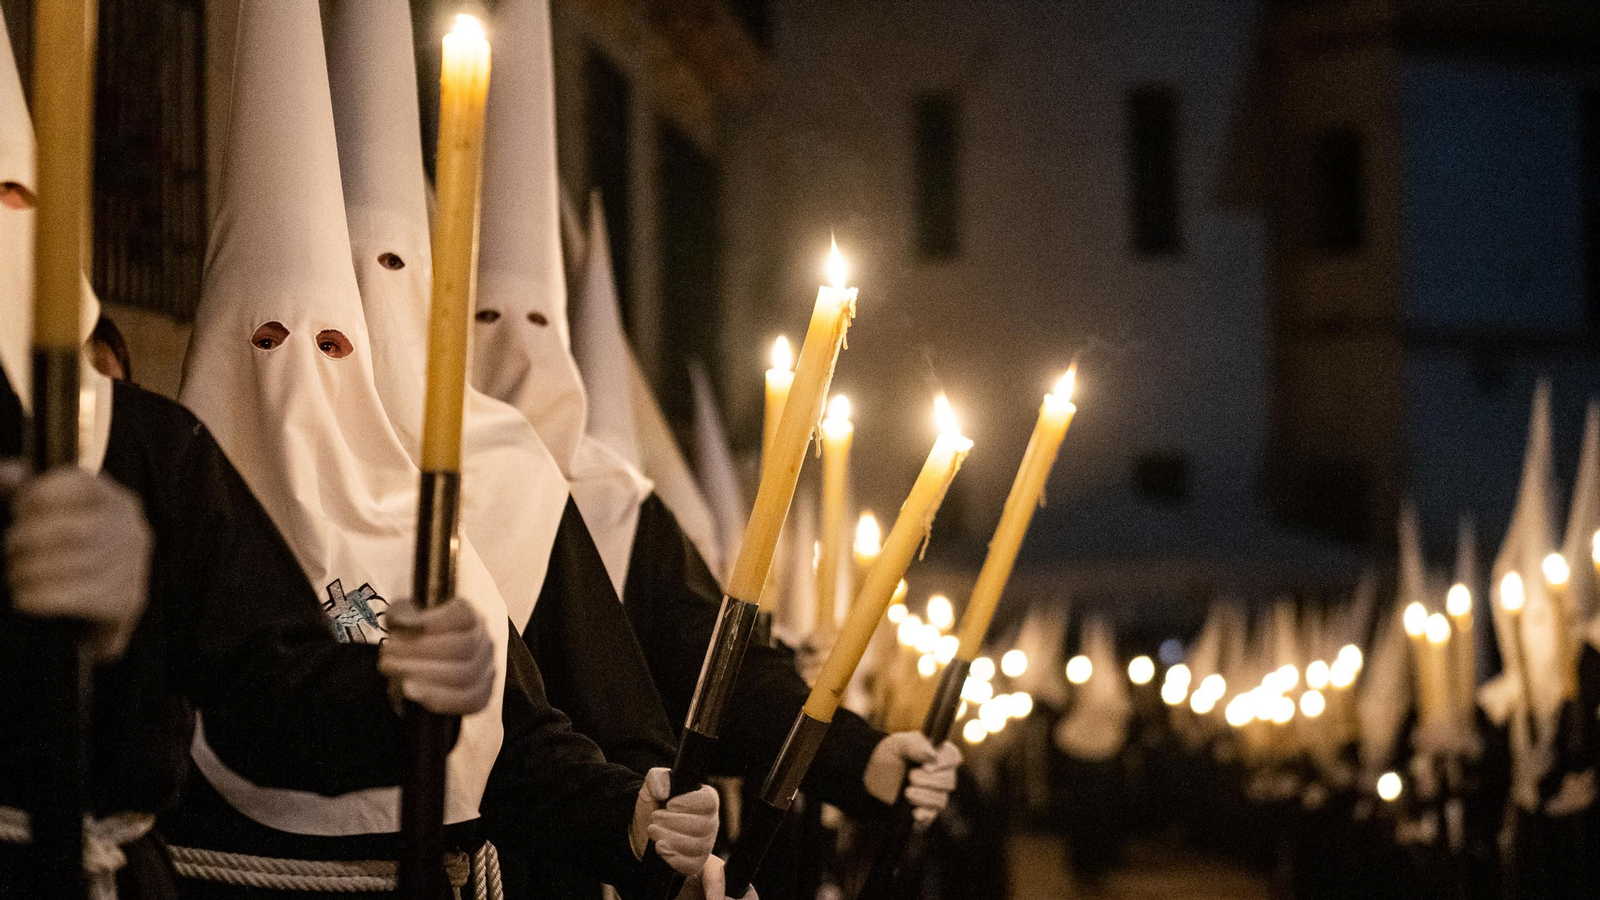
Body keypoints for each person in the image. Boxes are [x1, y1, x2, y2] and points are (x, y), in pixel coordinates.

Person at [151, 3, 721, 897]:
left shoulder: (428, 528)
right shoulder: (175, 517)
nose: (301, 377)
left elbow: (521, 734)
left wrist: (635, 812)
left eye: (333, 345)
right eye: (265, 339)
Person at [0, 8, 503, 897]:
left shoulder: (153, 448)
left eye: (9, 199)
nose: (299, 373)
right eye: (266, 336)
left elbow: (270, 688)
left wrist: (397, 683)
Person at [466, 4, 962, 881]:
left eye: (536, 322)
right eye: (481, 322)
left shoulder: (619, 509)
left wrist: (864, 758)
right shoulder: (393, 487)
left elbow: (724, 668)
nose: (512, 349)